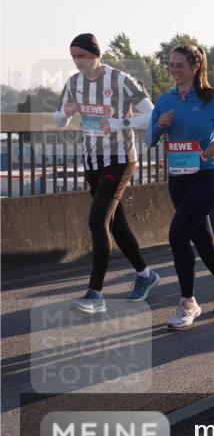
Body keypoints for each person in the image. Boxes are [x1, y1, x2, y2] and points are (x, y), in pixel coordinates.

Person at [55, 33, 159, 315]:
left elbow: (151, 114)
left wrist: (119, 123)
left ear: (95, 54)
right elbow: (58, 118)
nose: (78, 62)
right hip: (92, 160)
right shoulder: (73, 83)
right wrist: (65, 113)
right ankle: (146, 274)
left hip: (120, 158)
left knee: (97, 220)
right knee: (115, 224)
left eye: (83, 56)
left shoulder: (120, 79)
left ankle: (95, 294)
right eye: (74, 57)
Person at [146, 44, 214, 329]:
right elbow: (149, 139)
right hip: (178, 177)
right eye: (171, 65)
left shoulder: (211, 100)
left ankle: (188, 302)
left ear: (195, 66)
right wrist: (160, 126)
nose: (174, 70)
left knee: (177, 234)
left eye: (180, 65)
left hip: (207, 175)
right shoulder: (164, 101)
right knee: (202, 239)